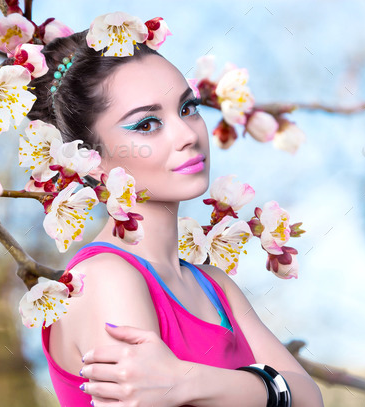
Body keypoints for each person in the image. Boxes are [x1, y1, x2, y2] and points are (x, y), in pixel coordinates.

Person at [27, 26, 324, 407]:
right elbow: (289, 395)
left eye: (188, 108)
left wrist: (190, 382)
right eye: (147, 124)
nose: (187, 133)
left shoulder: (214, 285)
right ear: (90, 158)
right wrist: (264, 388)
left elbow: (309, 398)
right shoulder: (104, 279)